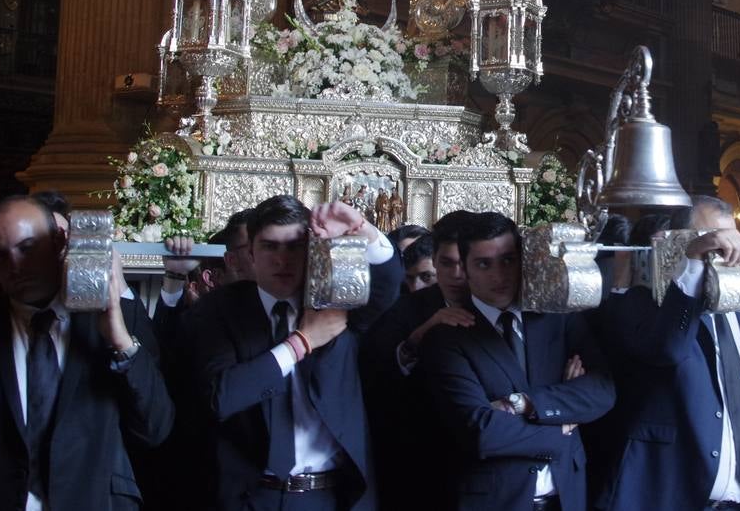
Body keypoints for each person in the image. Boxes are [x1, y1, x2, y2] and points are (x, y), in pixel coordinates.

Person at [0, 194, 173, 511]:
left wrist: (119, 339)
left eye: (27, 248)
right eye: (0, 255)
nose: (14, 266)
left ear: (60, 241)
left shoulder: (112, 327)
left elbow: (154, 429)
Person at [189, 195, 402, 511]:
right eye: (270, 246)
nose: (282, 259)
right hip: (250, 495)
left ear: (312, 251)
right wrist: (300, 343)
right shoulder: (219, 309)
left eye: (295, 246)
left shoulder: (334, 299)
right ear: (250, 254)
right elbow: (220, 397)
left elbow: (387, 282)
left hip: (329, 494)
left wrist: (362, 228)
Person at [597, 196, 740, 511]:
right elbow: (668, 351)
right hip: (674, 498)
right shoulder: (643, 307)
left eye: (732, 241)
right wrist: (693, 264)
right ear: (678, 246)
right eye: (713, 245)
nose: (725, 253)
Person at [420, 212, 615, 511]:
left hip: (567, 495)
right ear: (466, 271)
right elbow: (482, 433)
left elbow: (602, 391)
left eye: (508, 260)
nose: (499, 276)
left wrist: (524, 403)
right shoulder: (448, 338)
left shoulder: (556, 317)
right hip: (495, 501)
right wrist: (562, 422)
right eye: (484, 264)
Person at [362, 210, 477, 511]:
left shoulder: (503, 308)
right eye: (446, 264)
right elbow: (376, 374)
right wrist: (418, 338)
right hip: (417, 460)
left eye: (463, 264)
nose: (455, 275)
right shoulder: (404, 309)